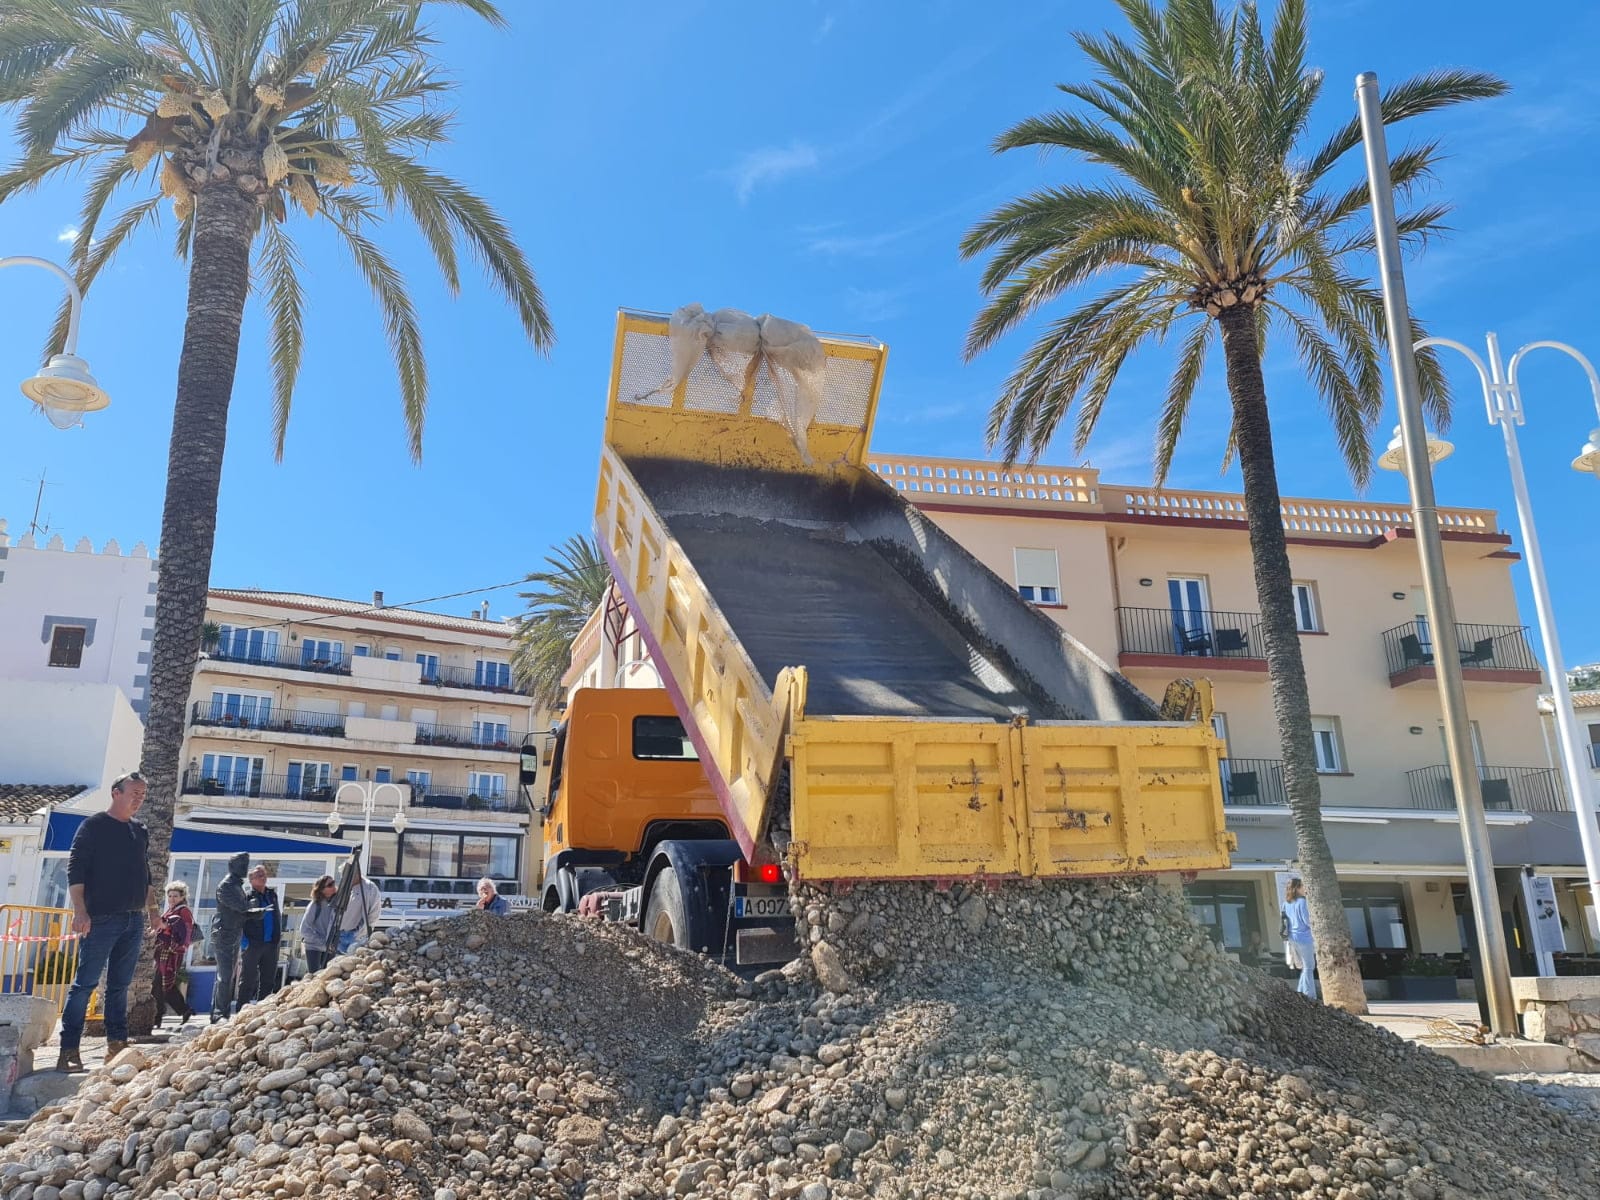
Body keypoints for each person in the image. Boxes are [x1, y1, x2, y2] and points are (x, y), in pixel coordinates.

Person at [56, 772, 154, 1071]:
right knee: (84, 985)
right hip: (100, 919)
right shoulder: (94, 826)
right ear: (116, 792)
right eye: (134, 793)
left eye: (142, 794)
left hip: (133, 919)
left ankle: (117, 1045)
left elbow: (146, 875)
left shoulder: (140, 830)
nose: (139, 799)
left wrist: (153, 911)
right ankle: (68, 1049)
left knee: (120, 986)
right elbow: (76, 869)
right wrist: (80, 911)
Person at [210, 852, 251, 1024]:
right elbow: (240, 906)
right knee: (225, 975)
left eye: (246, 865)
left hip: (233, 932)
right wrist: (251, 908)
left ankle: (220, 1012)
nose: (245, 869)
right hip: (224, 933)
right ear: (232, 866)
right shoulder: (226, 886)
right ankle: (219, 1013)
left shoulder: (237, 885)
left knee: (227, 975)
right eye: (242, 865)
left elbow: (242, 908)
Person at [150, 880, 195, 1025]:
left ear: (182, 897)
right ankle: (176, 1011)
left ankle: (159, 1016)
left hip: (172, 953)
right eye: (170, 896)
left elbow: (184, 931)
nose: (172, 899)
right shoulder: (170, 910)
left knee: (161, 984)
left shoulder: (183, 911)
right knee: (162, 984)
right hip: (163, 952)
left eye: (175, 896)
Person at [237, 865, 283, 1007]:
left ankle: (263, 1009)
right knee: (248, 980)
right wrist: (245, 943)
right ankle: (241, 1010)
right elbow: (239, 921)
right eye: (259, 875)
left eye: (264, 874)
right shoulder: (246, 897)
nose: (263, 877)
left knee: (268, 980)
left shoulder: (272, 895)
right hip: (253, 944)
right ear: (251, 880)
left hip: (271, 944)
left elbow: (276, 916)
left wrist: (278, 937)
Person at [1282, 876, 1318, 999]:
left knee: (1304, 967)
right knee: (1309, 966)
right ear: (1297, 888)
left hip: (1292, 938)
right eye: (1302, 886)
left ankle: (1300, 992)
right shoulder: (1302, 902)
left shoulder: (1286, 904)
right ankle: (1309, 995)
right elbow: (1307, 921)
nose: (1304, 888)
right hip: (1304, 937)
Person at [336, 862, 383, 954]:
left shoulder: (369, 888)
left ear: (356, 874)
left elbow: (374, 913)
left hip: (355, 936)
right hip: (340, 934)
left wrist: (361, 932)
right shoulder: (346, 887)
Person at [298, 874, 339, 974]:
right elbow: (304, 929)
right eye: (330, 885)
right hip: (314, 947)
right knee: (315, 976)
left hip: (329, 948)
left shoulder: (337, 904)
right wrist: (322, 942)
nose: (333, 886)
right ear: (321, 890)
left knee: (329, 976)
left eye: (333, 883)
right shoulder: (315, 905)